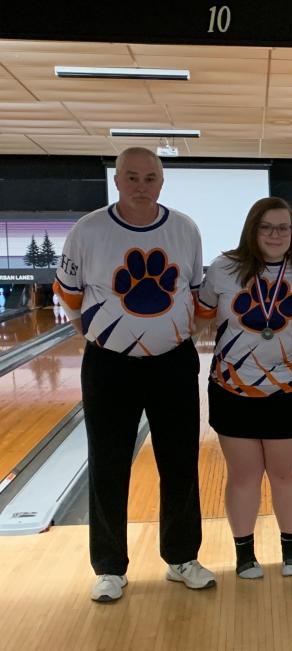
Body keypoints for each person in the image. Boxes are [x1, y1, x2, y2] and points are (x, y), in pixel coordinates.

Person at [54, 147, 215, 603]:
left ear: (161, 183)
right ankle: (109, 568)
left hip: (173, 362)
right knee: (107, 464)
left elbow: (196, 290)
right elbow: (69, 295)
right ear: (117, 181)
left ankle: (182, 558)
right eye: (132, 177)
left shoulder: (185, 229)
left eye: (150, 178)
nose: (141, 186)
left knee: (180, 461)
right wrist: (103, 335)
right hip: (109, 366)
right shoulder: (88, 230)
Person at [197, 197, 292, 579]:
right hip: (232, 388)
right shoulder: (224, 268)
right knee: (243, 475)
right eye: (266, 227)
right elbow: (201, 316)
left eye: (283, 227)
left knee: (286, 473)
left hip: (290, 388)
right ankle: (245, 555)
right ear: (252, 230)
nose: (275, 234)